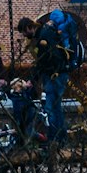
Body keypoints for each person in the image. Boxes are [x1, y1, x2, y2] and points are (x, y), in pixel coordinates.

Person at [17, 14, 70, 146]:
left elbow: (42, 62)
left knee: (50, 108)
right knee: (56, 107)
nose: (24, 35)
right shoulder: (45, 33)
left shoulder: (43, 38)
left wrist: (31, 79)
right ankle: (61, 138)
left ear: (29, 27)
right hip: (58, 74)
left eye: (24, 32)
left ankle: (53, 140)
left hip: (54, 76)